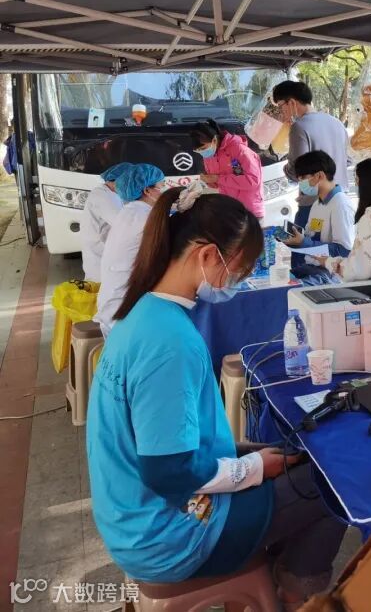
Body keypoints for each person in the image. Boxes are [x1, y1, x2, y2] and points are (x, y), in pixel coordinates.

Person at [87, 188, 346, 602]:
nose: (236, 284)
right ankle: (299, 594)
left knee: (292, 461)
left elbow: (172, 446)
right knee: (331, 485)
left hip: (136, 517)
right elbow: (169, 472)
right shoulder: (170, 343)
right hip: (169, 535)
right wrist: (254, 468)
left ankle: (279, 572)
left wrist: (250, 455)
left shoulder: (144, 315)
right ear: (208, 256)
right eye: (239, 271)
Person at [94, 164, 166, 335]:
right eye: (162, 187)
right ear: (147, 191)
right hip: (124, 311)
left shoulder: (130, 212)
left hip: (113, 305)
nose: (164, 191)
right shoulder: (144, 218)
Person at [272, 80, 350, 226]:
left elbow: (297, 169)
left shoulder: (299, 127)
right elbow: (348, 160)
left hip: (314, 204)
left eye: (281, 106)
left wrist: (285, 169)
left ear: (292, 102)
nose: (282, 112)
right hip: (341, 198)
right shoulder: (337, 123)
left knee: (306, 240)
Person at [284, 151, 354, 258]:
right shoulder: (317, 204)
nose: (301, 183)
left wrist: (304, 242)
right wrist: (297, 237)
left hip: (329, 268)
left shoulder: (341, 205)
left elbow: (344, 251)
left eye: (303, 178)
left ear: (319, 175)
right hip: (313, 264)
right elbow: (313, 234)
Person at [190, 119, 264, 219]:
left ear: (214, 140)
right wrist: (208, 180)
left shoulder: (240, 150)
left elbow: (252, 181)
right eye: (198, 151)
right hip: (229, 209)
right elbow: (217, 184)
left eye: (203, 148)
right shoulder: (209, 156)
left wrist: (217, 178)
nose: (202, 153)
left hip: (249, 210)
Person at [80, 162, 132, 283]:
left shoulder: (111, 194)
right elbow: (123, 223)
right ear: (117, 181)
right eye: (128, 182)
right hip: (100, 258)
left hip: (107, 255)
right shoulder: (103, 196)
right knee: (104, 287)